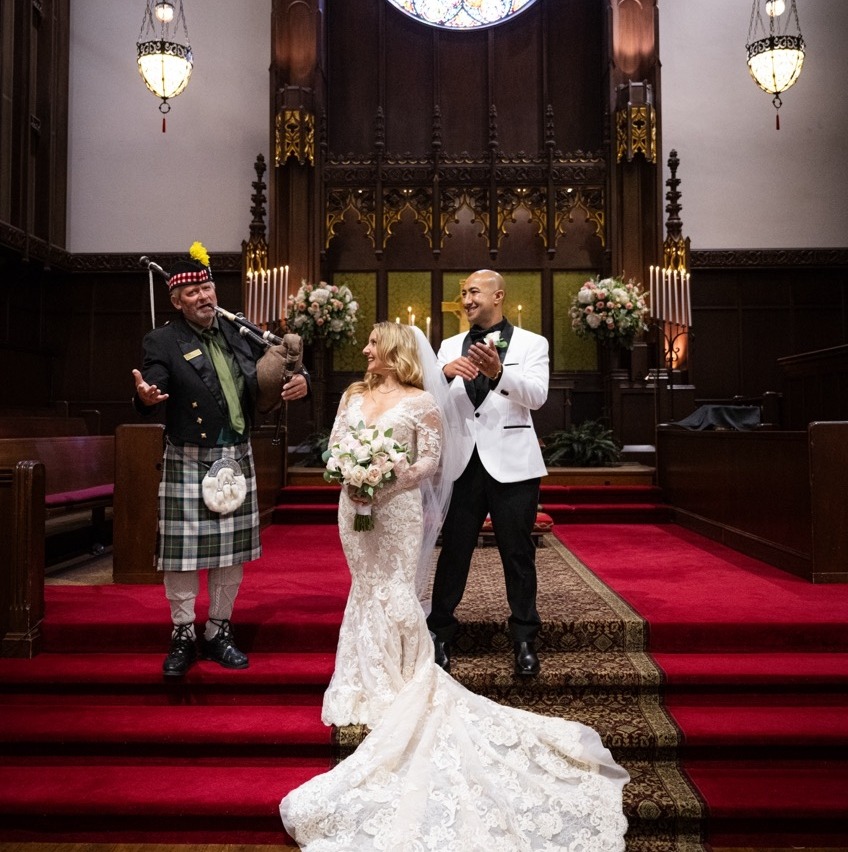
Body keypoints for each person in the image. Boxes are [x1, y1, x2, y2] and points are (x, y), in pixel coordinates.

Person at [279, 321, 629, 850]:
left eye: (374, 342)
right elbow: (334, 448)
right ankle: (359, 674)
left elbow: (431, 459)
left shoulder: (424, 400)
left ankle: (416, 672)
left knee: (398, 587)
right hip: (352, 508)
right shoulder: (353, 393)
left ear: (394, 350)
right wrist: (350, 474)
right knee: (365, 585)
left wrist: (383, 480)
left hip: (398, 507)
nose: (365, 349)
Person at [132, 242, 308, 678]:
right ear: (177, 301)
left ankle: (218, 630)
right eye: (193, 293)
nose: (205, 296)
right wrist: (147, 396)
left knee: (230, 553)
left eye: (208, 287)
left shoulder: (238, 330)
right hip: (189, 455)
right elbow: (152, 383)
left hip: (236, 453)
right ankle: (182, 634)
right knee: (183, 555)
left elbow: (284, 361)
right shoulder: (163, 340)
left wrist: (301, 379)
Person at [427, 268, 549, 677]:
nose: (466, 299)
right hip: (463, 463)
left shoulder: (533, 343)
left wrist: (499, 373)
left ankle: (525, 639)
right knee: (455, 552)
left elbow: (537, 396)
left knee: (517, 553)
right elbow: (428, 402)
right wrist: (442, 376)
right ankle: (440, 634)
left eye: (474, 292)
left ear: (499, 296)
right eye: (463, 293)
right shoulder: (446, 346)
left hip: (513, 464)